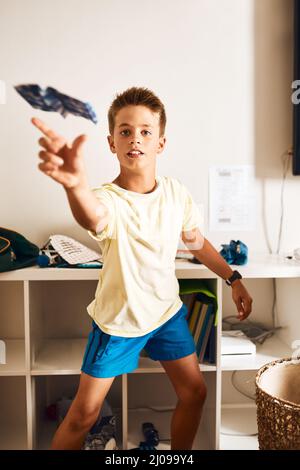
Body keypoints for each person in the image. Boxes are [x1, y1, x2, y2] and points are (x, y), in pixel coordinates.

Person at [32, 86, 253, 450]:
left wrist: (233, 277)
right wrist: (75, 187)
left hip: (166, 314)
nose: (135, 138)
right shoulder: (107, 199)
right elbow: (92, 213)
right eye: (125, 131)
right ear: (111, 142)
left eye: (145, 131)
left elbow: (195, 241)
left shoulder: (176, 193)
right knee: (85, 414)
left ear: (160, 143)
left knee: (195, 392)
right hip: (119, 320)